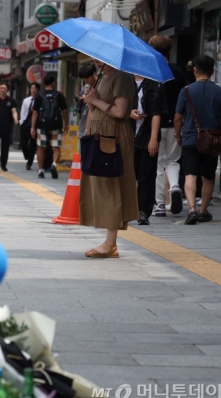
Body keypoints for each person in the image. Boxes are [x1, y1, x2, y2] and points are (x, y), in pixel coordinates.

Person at [80, 59, 138, 258]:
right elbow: (96, 110)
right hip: (100, 135)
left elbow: (120, 112)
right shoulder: (103, 77)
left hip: (113, 138)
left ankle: (110, 243)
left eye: (102, 56)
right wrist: (90, 102)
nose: (97, 60)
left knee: (111, 186)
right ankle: (109, 242)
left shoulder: (122, 77)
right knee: (102, 185)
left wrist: (95, 101)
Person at [174, 55, 221, 225]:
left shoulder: (186, 91)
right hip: (211, 141)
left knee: (190, 174)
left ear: (195, 71)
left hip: (191, 138)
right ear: (213, 71)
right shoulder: (220, 92)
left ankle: (191, 210)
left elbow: (177, 118)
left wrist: (179, 136)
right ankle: (203, 211)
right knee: (208, 177)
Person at [148, 35, 188, 217]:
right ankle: (174, 186)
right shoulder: (178, 73)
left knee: (157, 165)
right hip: (174, 123)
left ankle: (159, 205)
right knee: (172, 161)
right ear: (169, 50)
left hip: (153, 125)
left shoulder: (149, 71)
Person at [131, 74, 167, 225]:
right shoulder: (125, 81)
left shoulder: (155, 84)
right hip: (128, 135)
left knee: (147, 175)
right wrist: (128, 113)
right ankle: (125, 209)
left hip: (147, 135)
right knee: (127, 175)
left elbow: (156, 114)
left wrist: (153, 139)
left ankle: (143, 212)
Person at [30, 74, 69, 179]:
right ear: (53, 83)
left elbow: (35, 113)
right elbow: (65, 111)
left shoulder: (39, 95)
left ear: (43, 84)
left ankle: (41, 170)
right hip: (56, 125)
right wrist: (66, 124)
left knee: (41, 148)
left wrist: (33, 128)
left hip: (42, 125)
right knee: (55, 148)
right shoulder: (59, 95)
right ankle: (54, 164)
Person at [0, 83, 19, 172]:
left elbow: (14, 111)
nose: (2, 90)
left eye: (4, 88)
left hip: (7, 127)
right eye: (1, 88)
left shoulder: (11, 100)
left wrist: (16, 119)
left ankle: (3, 164)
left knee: (5, 147)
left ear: (7, 90)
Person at [19, 83, 41, 170]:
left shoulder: (40, 101)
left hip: (35, 124)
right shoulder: (26, 100)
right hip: (25, 124)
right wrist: (21, 122)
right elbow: (23, 112)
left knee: (32, 145)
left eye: (35, 88)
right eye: (32, 88)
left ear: (38, 90)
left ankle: (29, 163)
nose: (33, 90)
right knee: (23, 143)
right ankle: (27, 156)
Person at [77, 63, 98, 137]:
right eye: (84, 79)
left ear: (94, 74)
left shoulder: (101, 86)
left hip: (96, 125)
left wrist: (90, 100)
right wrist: (82, 100)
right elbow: (79, 98)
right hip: (84, 123)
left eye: (87, 78)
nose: (86, 81)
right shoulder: (86, 87)